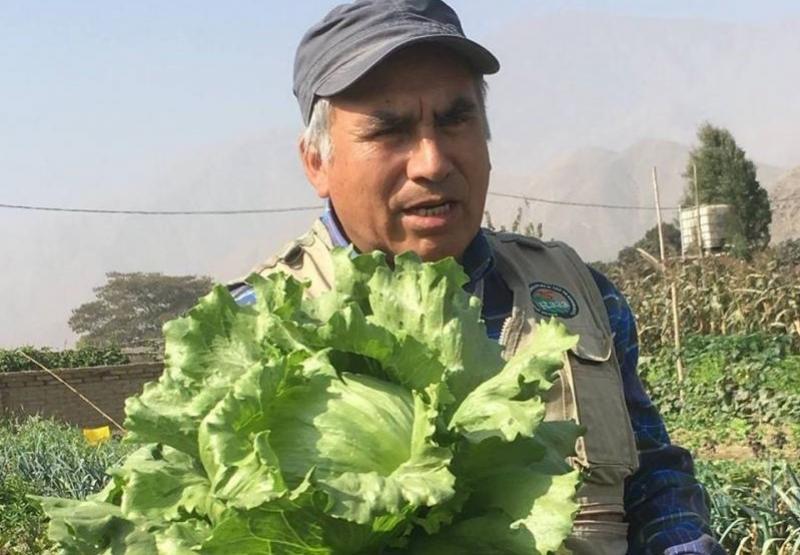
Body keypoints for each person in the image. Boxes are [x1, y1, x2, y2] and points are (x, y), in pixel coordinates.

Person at [230, 1, 725, 553]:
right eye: (389, 129)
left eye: (455, 119)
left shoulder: (579, 293)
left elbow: (654, 475)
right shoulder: (253, 326)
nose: (432, 161)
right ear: (316, 163)